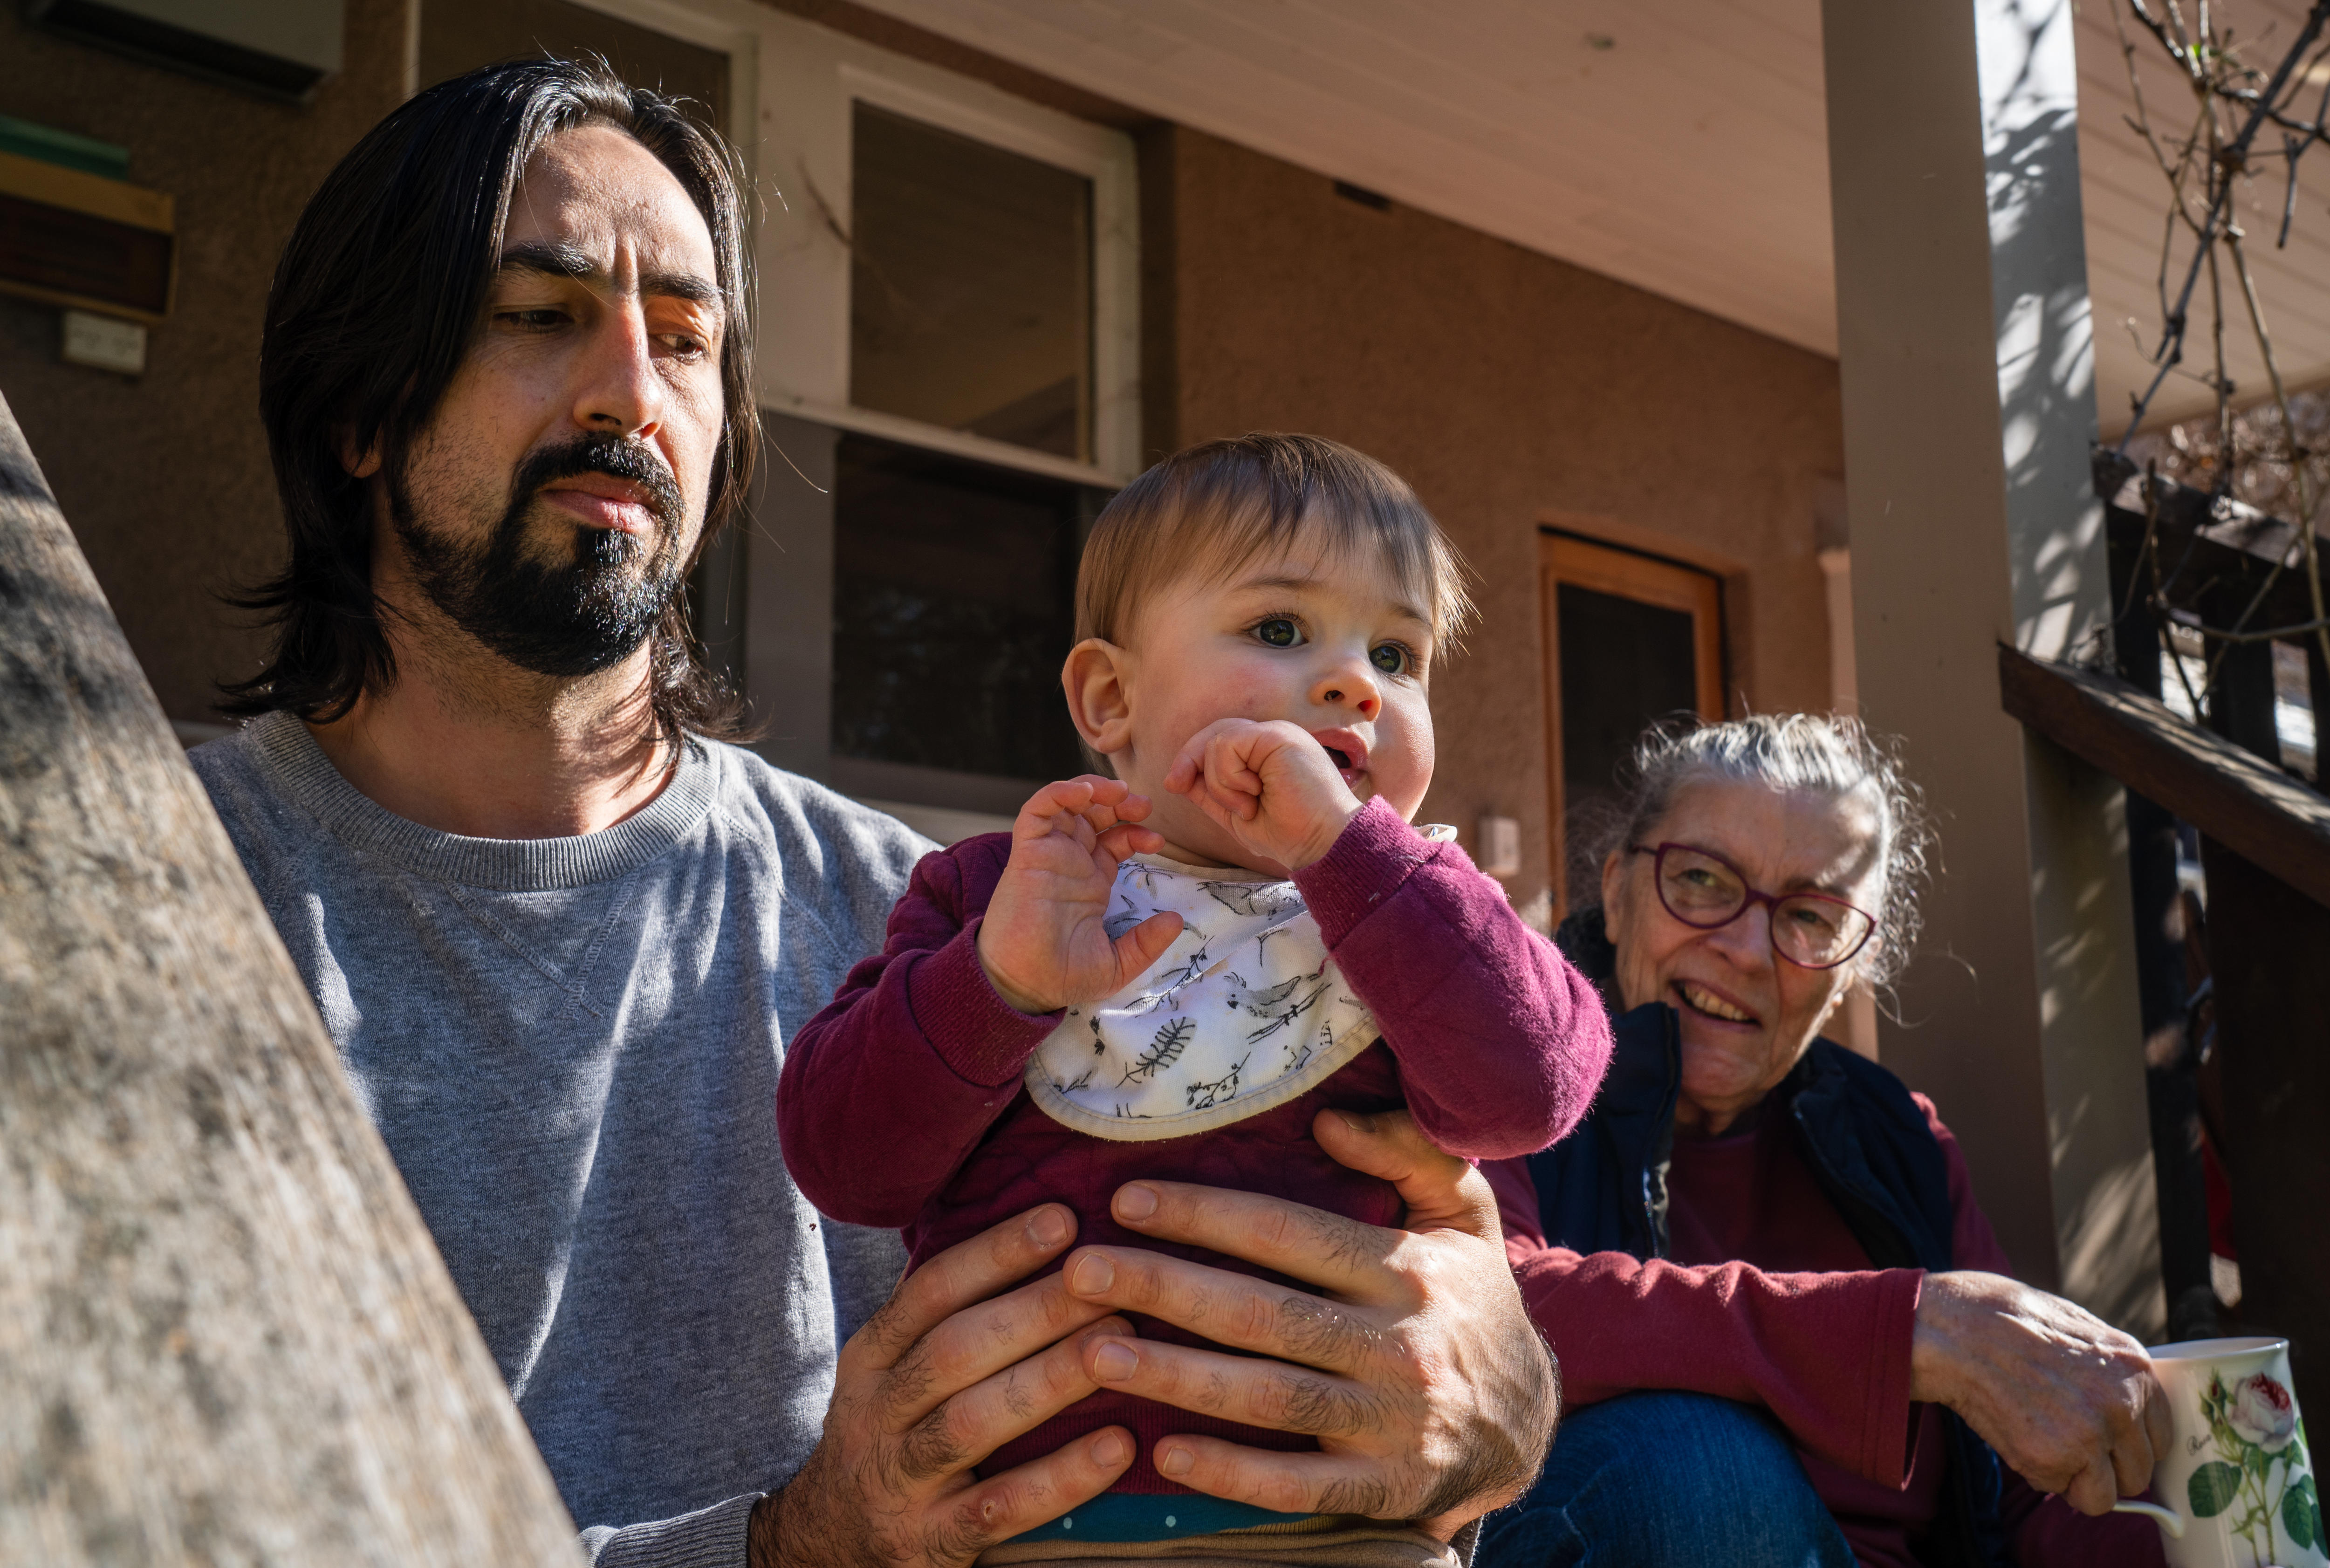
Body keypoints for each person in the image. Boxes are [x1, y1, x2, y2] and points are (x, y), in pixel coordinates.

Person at [189, 57, 1553, 1568]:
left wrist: (1490, 1378)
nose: (634, 393)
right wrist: (790, 1545)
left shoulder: (943, 918)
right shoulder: (164, 898)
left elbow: (1405, 1202)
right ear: (358, 411)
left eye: (690, 340)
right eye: (538, 313)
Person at [780, 435, 1611, 1560]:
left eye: (1399, 654)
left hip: (1346, 1528)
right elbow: (846, 1163)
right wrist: (1000, 981)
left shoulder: (1417, 914)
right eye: (1279, 630)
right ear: (1111, 697)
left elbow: (1530, 1091)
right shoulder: (998, 897)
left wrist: (1351, 855)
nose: (1355, 682)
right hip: (1031, 1532)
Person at [1476, 714, 2172, 1568]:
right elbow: (1494, 1315)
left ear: (1851, 975)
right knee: (1699, 1467)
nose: (1745, 948)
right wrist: (1903, 1337)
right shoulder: (1503, 1064)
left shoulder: (1898, 1136)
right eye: (1699, 878)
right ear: (1616, 894)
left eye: (1810, 916)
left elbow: (2032, 1486)